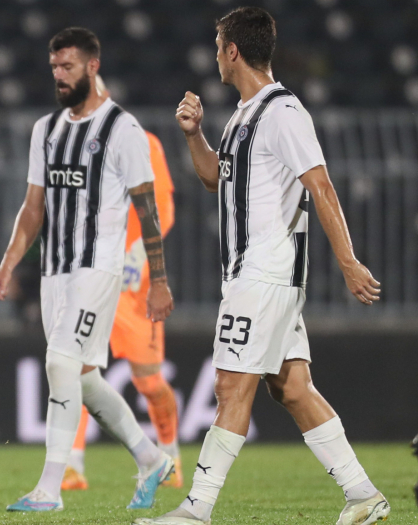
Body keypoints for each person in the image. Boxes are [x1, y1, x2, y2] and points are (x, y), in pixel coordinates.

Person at [136, 7, 388, 525]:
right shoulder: (243, 115)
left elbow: (320, 185)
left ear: (232, 51)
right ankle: (363, 494)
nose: (214, 56)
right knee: (291, 386)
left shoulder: (282, 112)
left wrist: (348, 261)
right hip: (259, 275)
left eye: (217, 46)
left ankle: (196, 509)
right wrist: (194, 134)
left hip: (264, 273)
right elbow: (216, 178)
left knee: (231, 387)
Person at [0, 27, 175, 513]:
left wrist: (158, 280)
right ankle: (151, 458)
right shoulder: (46, 130)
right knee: (85, 378)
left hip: (99, 269)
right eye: (54, 66)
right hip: (55, 273)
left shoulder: (123, 130)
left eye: (68, 66)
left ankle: (50, 489)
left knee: (59, 363)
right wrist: (9, 263)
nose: (59, 75)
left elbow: (148, 211)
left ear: (93, 66)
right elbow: (33, 207)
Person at [63, 127, 182, 491]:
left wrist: (140, 252)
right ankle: (72, 466)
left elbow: (163, 208)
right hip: (93, 277)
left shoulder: (144, 143)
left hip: (134, 287)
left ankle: (170, 454)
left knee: (150, 382)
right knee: (76, 369)